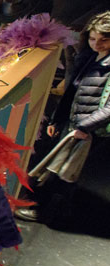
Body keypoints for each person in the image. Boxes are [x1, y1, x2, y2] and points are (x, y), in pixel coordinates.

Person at [16, 12, 110, 224]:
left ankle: (51, 213)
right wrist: (56, 119)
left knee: (67, 172)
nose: (97, 44)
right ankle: (51, 210)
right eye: (93, 38)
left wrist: (85, 127)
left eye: (104, 40)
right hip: (74, 123)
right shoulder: (89, 58)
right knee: (58, 168)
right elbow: (71, 93)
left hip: (89, 131)